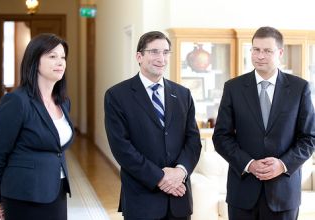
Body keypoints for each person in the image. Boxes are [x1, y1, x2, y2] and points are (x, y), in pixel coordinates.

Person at [212, 26, 315, 220]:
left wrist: (283, 164)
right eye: (255, 49)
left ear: (280, 53)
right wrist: (248, 164)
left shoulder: (299, 88)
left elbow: (309, 137)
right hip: (242, 193)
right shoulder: (233, 88)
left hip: (283, 194)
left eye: (267, 51)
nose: (260, 56)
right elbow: (221, 136)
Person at [104, 31, 202, 220]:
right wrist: (160, 177)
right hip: (142, 198)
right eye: (154, 52)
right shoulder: (117, 96)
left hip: (178, 197)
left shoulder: (183, 94)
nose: (161, 58)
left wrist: (180, 171)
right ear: (139, 56)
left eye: (166, 52)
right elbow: (121, 148)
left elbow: (193, 141)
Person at [0, 33, 74, 220]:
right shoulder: (16, 101)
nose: (60, 62)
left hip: (56, 190)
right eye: (52, 56)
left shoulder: (63, 102)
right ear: (35, 60)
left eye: (63, 57)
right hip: (24, 195)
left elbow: (57, 148)